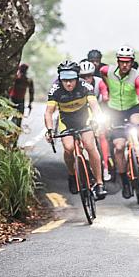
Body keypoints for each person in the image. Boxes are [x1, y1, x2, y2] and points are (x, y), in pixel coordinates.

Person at [44, 60, 107, 200]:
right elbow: (48, 112)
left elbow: (95, 107)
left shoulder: (85, 86)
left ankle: (99, 184)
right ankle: (72, 174)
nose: (68, 84)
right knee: (69, 148)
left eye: (71, 80)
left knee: (90, 145)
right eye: (65, 80)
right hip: (65, 121)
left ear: (77, 78)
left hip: (84, 118)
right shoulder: (55, 90)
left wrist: (98, 120)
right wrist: (49, 130)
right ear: (60, 79)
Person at [100, 46, 139, 199]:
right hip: (115, 110)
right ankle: (125, 183)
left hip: (132, 108)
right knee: (119, 147)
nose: (125, 65)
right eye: (122, 62)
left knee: (138, 122)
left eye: (128, 62)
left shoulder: (137, 77)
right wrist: (106, 88)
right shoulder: (107, 71)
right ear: (117, 61)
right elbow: (101, 73)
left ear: (132, 62)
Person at [79, 59, 111, 181]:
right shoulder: (77, 85)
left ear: (93, 75)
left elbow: (105, 96)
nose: (87, 79)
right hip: (83, 112)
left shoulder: (99, 82)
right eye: (83, 76)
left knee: (102, 134)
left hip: (97, 109)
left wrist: (105, 98)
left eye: (89, 76)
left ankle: (106, 167)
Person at [9, 63, 34, 127]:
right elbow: (31, 92)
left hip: (16, 100)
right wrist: (30, 103)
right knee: (15, 118)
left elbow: (31, 92)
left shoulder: (25, 79)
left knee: (18, 119)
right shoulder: (16, 78)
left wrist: (30, 103)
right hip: (13, 99)